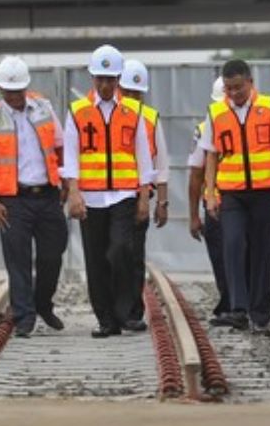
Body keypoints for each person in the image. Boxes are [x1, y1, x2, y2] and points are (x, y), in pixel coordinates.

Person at [63, 45, 155, 338]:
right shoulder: (77, 112)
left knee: (120, 250)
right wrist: (74, 194)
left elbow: (143, 156)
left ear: (118, 80)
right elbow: (70, 157)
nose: (105, 85)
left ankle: (125, 311)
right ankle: (106, 320)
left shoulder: (134, 111)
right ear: (92, 78)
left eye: (110, 79)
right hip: (91, 198)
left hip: (123, 196)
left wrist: (143, 197)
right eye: (100, 79)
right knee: (96, 260)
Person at [201, 59, 270, 336]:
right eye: (229, 89)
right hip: (231, 194)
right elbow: (211, 156)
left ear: (250, 83)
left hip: (264, 192)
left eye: (238, 88)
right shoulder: (216, 113)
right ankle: (239, 309)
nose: (234, 94)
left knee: (262, 250)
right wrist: (210, 194)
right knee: (232, 244)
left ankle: (260, 314)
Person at [0, 56, 67, 338]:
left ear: (27, 86)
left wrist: (65, 183)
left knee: (54, 253)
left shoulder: (44, 108)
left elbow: (61, 147)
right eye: (8, 91)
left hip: (48, 195)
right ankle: (25, 315)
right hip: (13, 200)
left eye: (18, 90)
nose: (14, 96)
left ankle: (43, 302)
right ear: (0, 89)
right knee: (18, 260)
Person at [118, 59, 168, 332]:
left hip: (139, 198)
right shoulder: (106, 117)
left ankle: (133, 311)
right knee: (114, 254)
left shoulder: (150, 119)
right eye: (127, 92)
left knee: (134, 255)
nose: (132, 98)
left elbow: (160, 163)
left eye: (137, 93)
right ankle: (114, 309)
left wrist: (161, 201)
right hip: (110, 196)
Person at [188, 77, 232, 326]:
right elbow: (196, 174)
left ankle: (238, 304)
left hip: (243, 200)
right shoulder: (205, 129)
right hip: (216, 203)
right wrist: (194, 215)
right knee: (221, 256)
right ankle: (230, 303)